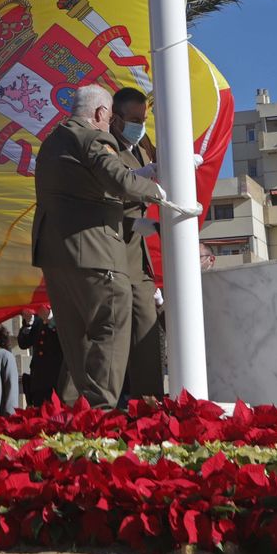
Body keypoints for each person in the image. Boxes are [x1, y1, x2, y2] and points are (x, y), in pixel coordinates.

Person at [32, 84, 189, 410]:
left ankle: (82, 417)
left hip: (55, 255)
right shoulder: (93, 138)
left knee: (78, 339)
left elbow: (89, 189)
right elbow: (118, 180)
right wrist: (163, 192)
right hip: (95, 252)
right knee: (113, 323)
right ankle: (100, 414)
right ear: (103, 114)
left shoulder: (51, 143)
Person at [109, 86, 167, 399]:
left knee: (146, 329)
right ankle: (82, 411)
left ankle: (151, 407)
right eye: (133, 119)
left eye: (143, 119)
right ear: (115, 119)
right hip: (113, 251)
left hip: (137, 254)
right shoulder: (105, 149)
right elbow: (107, 198)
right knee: (107, 336)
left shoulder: (139, 148)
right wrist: (142, 224)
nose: (139, 125)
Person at [17, 305, 63, 408]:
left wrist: (49, 319)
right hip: (38, 380)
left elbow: (64, 339)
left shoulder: (61, 316)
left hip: (56, 380)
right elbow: (23, 343)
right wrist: (28, 323)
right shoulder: (37, 321)